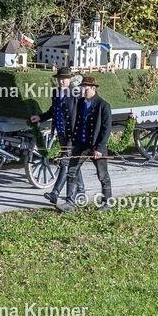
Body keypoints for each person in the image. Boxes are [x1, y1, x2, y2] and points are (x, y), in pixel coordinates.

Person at [56, 75, 114, 213]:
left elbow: (106, 129)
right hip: (80, 144)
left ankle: (107, 203)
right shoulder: (81, 102)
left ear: (93, 88)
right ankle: (70, 203)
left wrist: (100, 147)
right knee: (71, 171)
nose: (82, 90)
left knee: (102, 175)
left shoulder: (103, 105)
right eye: (81, 87)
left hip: (96, 146)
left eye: (85, 88)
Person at [29, 67, 82, 206]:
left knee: (65, 161)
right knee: (73, 161)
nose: (61, 81)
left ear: (70, 79)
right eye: (59, 79)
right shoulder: (56, 92)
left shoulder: (75, 94)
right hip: (61, 133)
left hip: (72, 134)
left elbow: (79, 115)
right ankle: (81, 188)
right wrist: (39, 117)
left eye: (64, 79)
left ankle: (55, 193)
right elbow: (53, 111)